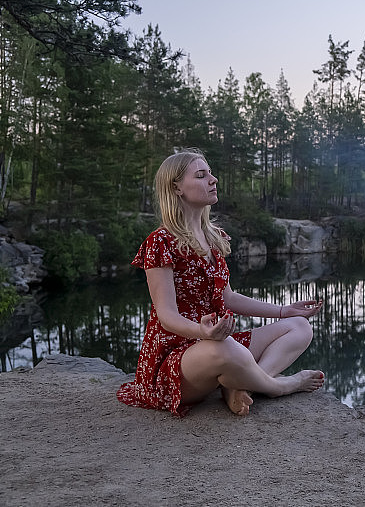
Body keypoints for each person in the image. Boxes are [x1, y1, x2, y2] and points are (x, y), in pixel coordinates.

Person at [117, 149, 324, 417]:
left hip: (215, 342)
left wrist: (285, 310)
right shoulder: (161, 241)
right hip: (176, 358)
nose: (213, 180)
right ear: (176, 188)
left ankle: (241, 385)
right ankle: (279, 386)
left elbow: (228, 298)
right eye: (201, 175)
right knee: (225, 349)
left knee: (300, 327)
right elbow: (166, 316)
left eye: (210, 173)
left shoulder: (215, 238)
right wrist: (203, 333)